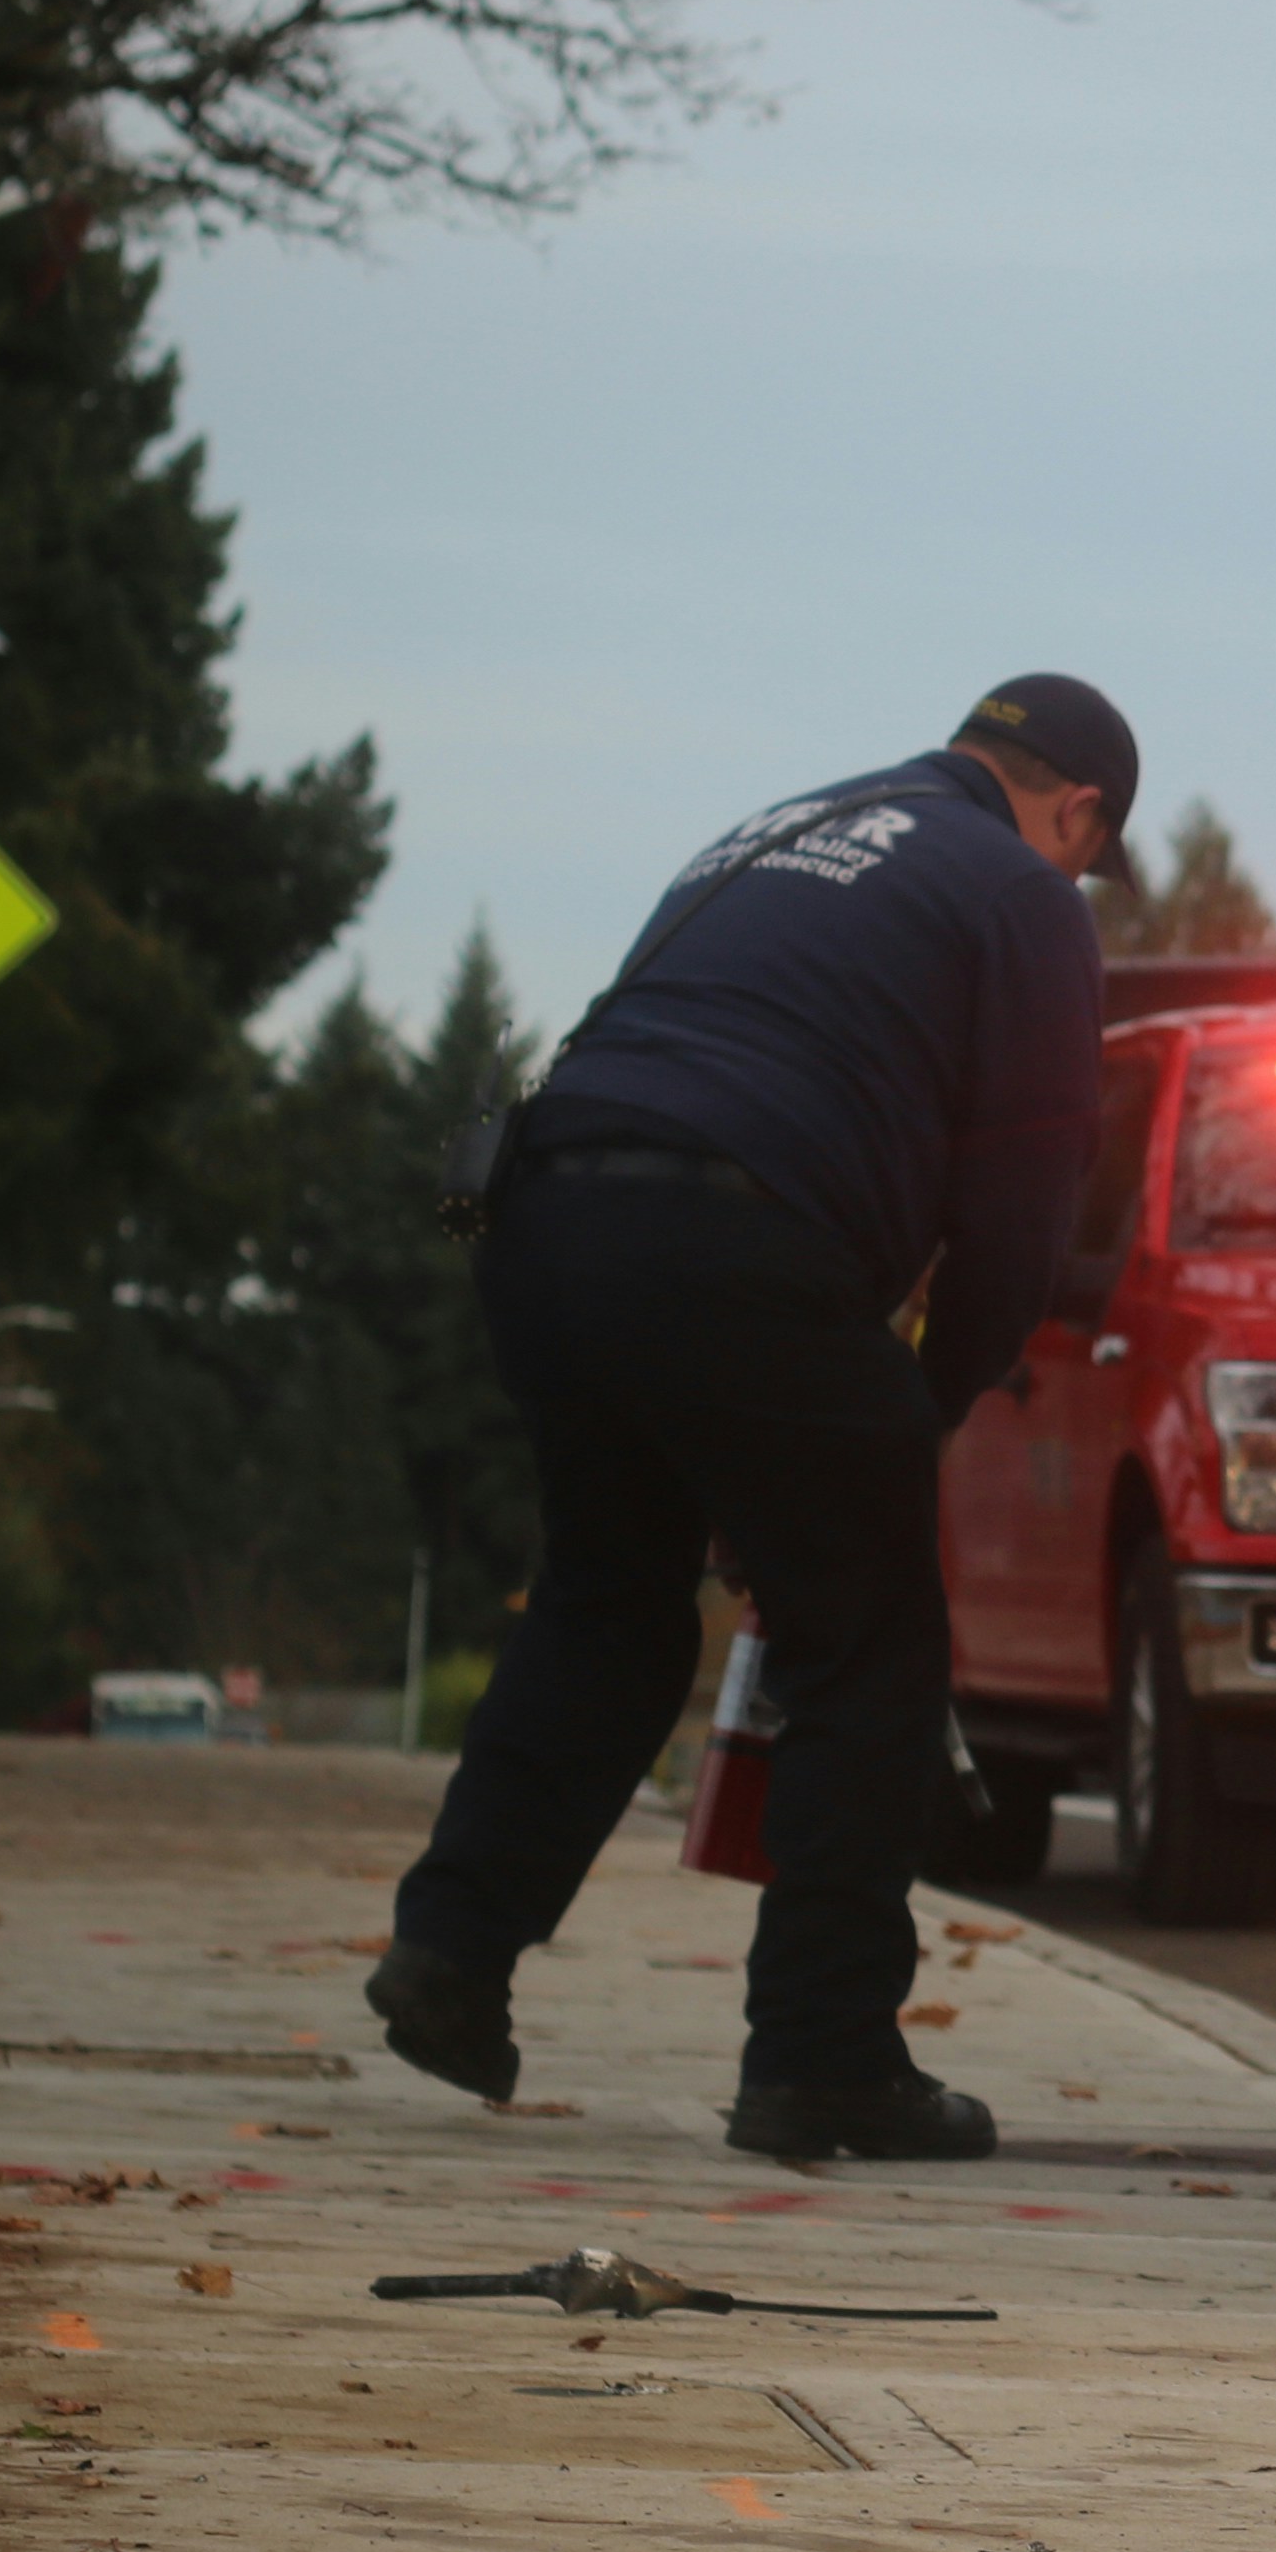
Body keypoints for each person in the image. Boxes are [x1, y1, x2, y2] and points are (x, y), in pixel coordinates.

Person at [370, 678, 1132, 2160]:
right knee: (868, 1639)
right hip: (740, 1238)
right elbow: (1024, 1215)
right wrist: (916, 1412)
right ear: (1081, 810)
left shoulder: (770, 831)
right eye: (1093, 854)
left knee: (608, 1598)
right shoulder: (1027, 897)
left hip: (549, 1218)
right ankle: (823, 2057)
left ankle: (450, 1954)